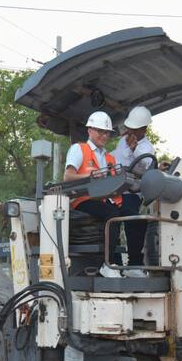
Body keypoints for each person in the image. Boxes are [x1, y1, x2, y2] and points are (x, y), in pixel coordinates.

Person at [64, 111, 141, 277]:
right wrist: (91, 175)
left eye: (106, 132)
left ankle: (135, 264)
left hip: (106, 199)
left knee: (134, 216)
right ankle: (108, 263)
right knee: (111, 214)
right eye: (100, 131)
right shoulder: (79, 149)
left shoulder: (109, 158)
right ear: (89, 130)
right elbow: (68, 177)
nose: (104, 135)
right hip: (84, 199)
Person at [110, 106, 155, 275]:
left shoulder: (147, 148)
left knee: (134, 219)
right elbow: (116, 156)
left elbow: (144, 165)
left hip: (131, 192)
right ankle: (113, 262)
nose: (131, 131)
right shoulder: (123, 140)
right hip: (115, 189)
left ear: (144, 129)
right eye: (130, 128)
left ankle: (134, 264)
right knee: (111, 220)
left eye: (135, 129)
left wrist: (134, 149)